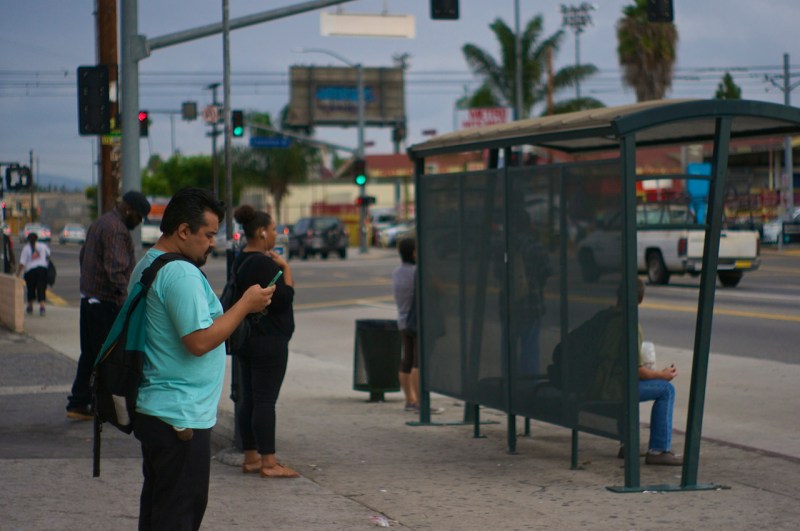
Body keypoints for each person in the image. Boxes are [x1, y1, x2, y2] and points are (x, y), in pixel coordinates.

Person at [130, 188, 275, 530]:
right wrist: (245, 305)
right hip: (179, 416)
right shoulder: (180, 274)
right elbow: (198, 341)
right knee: (180, 515)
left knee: (160, 510)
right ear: (183, 231)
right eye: (208, 235)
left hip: (159, 409)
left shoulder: (148, 263)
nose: (213, 243)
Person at [66, 191, 151, 421]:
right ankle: (100, 406)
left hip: (90, 299)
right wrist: (127, 305)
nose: (140, 222)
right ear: (128, 210)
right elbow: (116, 270)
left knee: (91, 354)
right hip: (105, 304)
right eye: (139, 216)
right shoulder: (116, 230)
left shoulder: (101, 222)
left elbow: (84, 256)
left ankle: (79, 402)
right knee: (107, 357)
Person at [232, 205, 299, 478]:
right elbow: (284, 299)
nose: (274, 234)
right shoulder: (264, 263)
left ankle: (251, 457)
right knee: (265, 401)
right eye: (272, 229)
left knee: (249, 398)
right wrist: (286, 269)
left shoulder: (241, 259)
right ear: (260, 232)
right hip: (269, 341)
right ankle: (269, 463)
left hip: (248, 340)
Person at [392, 237, 419, 412]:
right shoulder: (417, 272)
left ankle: (409, 399)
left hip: (402, 320)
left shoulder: (397, 272)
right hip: (416, 321)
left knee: (406, 361)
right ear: (414, 253)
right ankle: (420, 403)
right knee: (418, 363)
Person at [16, 232, 50, 316]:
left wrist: (18, 274)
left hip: (30, 271)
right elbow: (48, 256)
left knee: (31, 288)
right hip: (42, 269)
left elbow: (22, 263)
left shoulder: (26, 248)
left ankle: (30, 306)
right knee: (41, 288)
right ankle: (42, 307)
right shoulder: (43, 246)